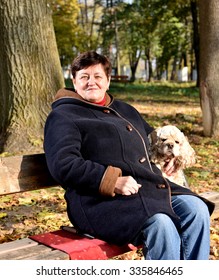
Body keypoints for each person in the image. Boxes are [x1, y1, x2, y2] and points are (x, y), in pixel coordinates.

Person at [44, 51, 214, 260]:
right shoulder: (63, 116)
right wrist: (111, 180)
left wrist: (170, 158)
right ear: (74, 81)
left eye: (97, 76)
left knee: (196, 209)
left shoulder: (125, 109)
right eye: (84, 77)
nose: (91, 82)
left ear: (107, 81)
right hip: (100, 201)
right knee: (161, 224)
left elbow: (153, 138)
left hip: (148, 190)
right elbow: (63, 164)